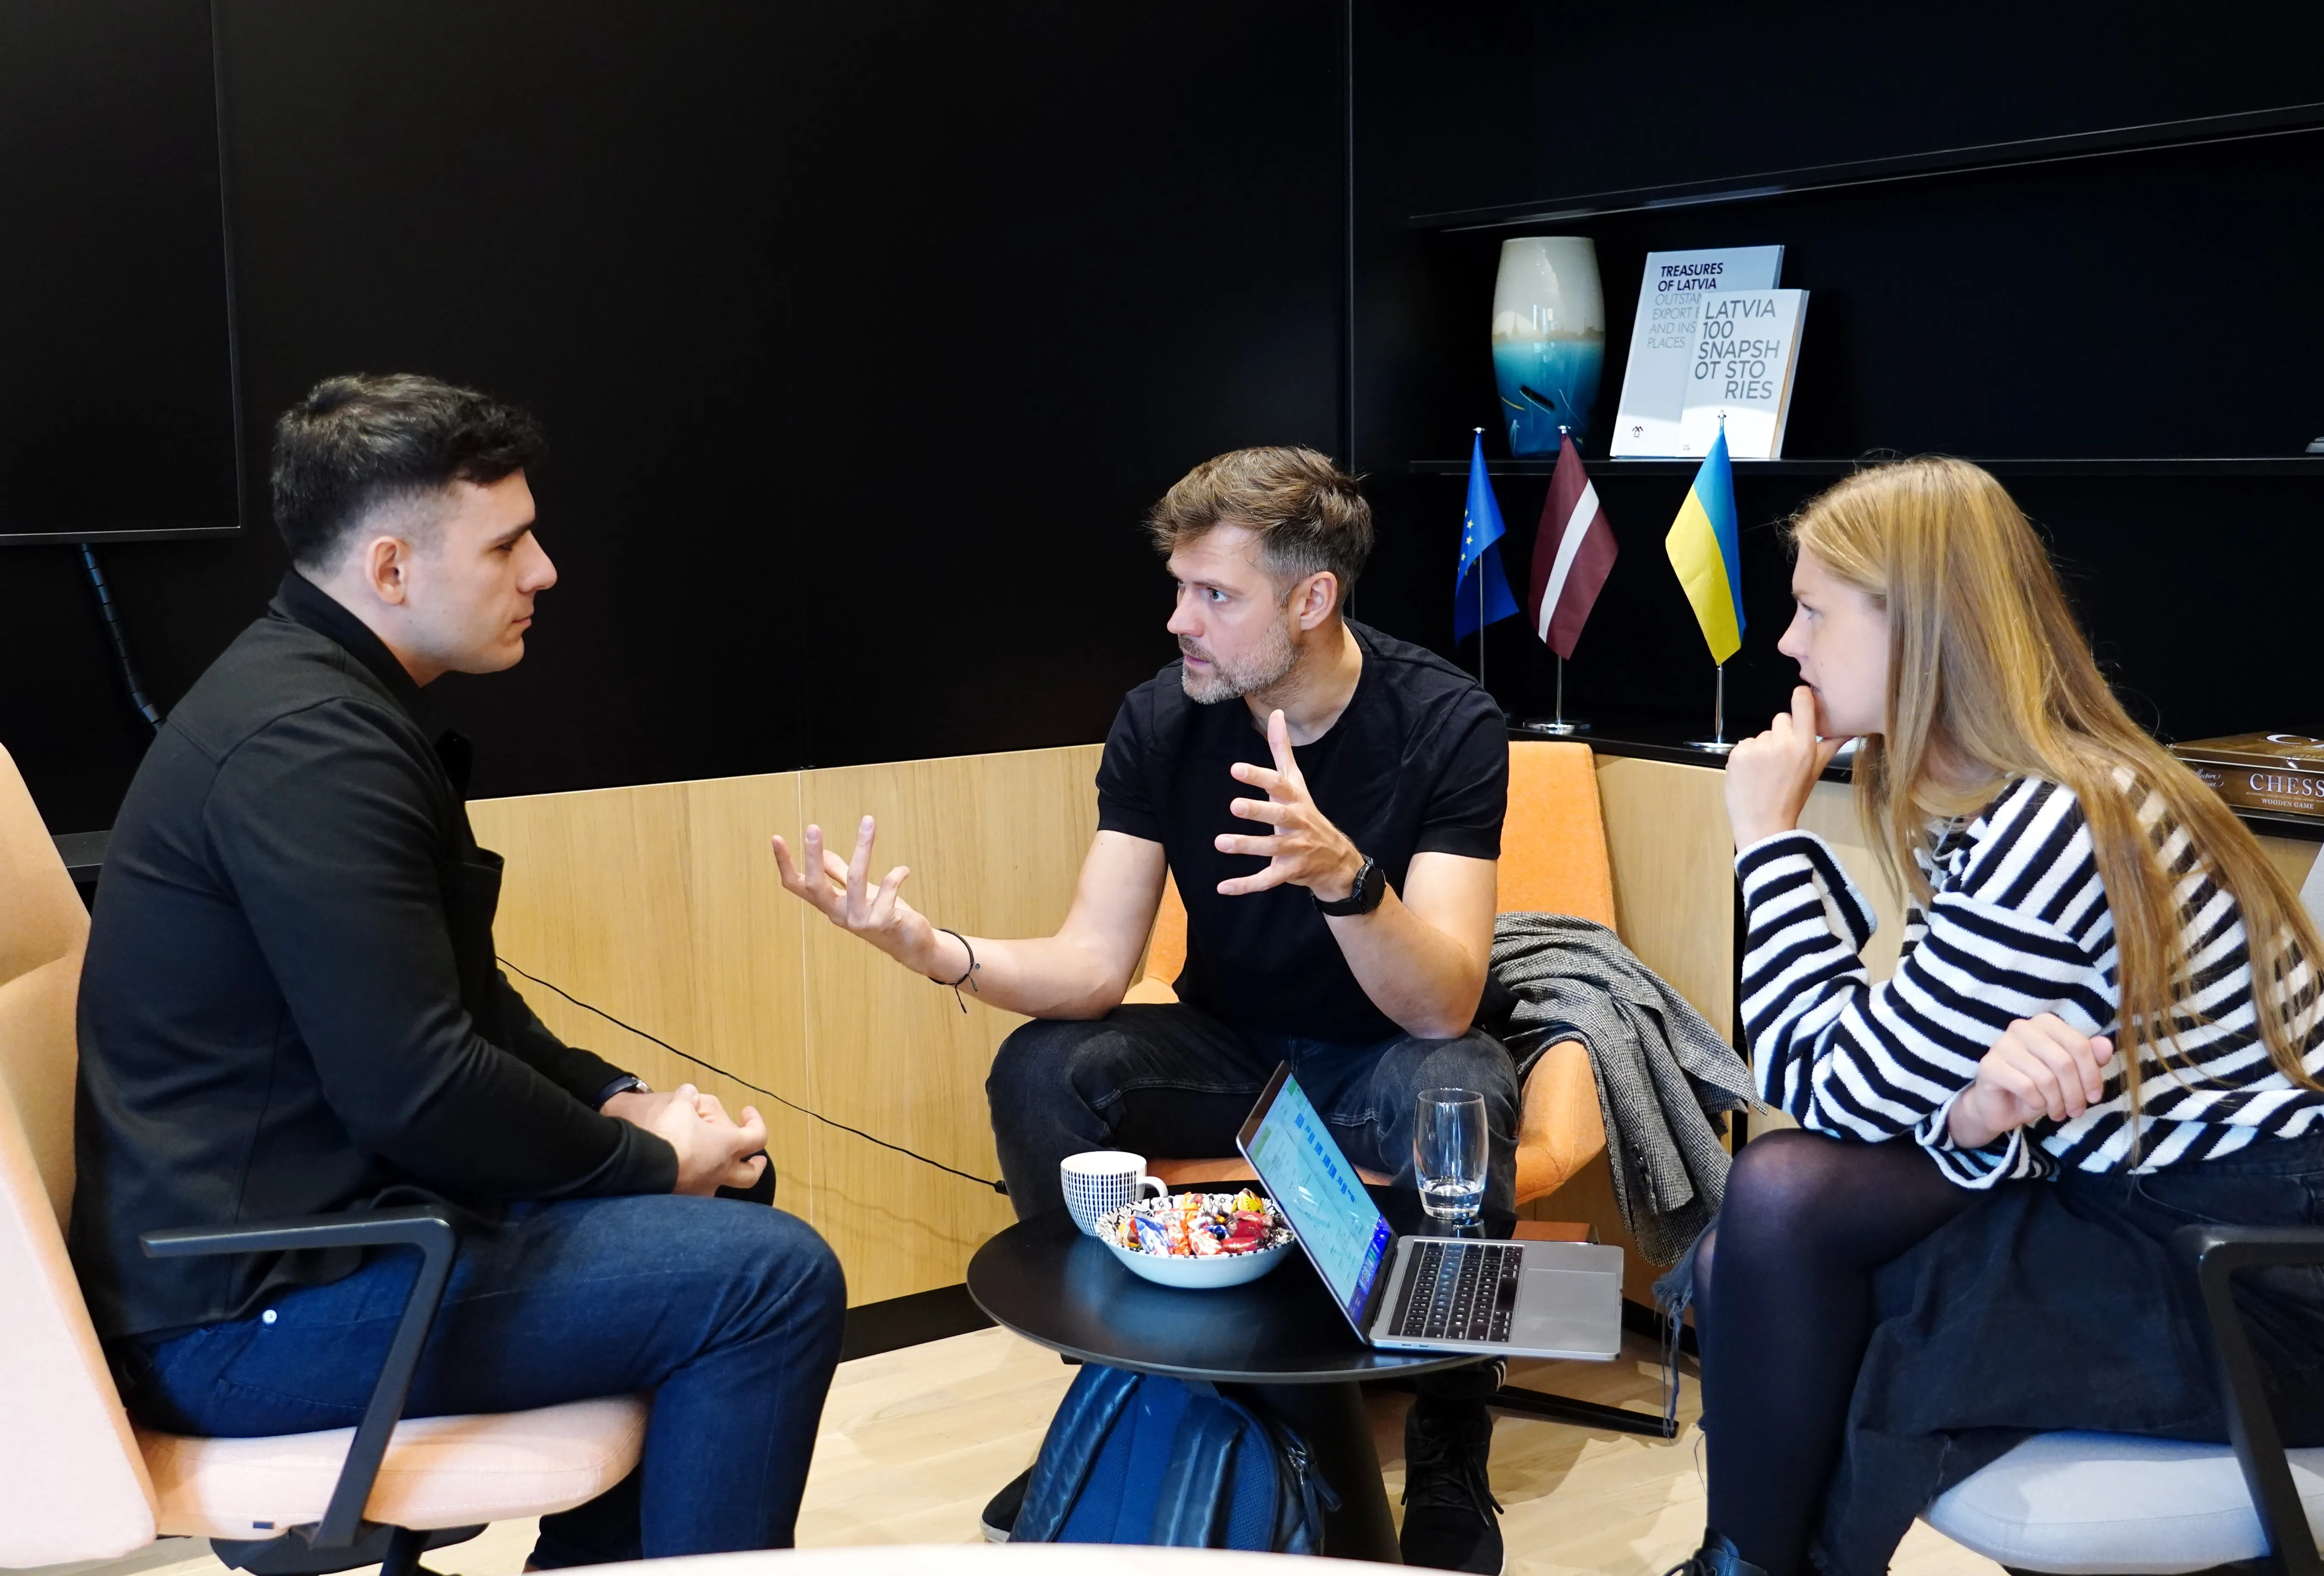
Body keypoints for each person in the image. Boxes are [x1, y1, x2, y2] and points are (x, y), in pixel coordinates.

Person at [71, 375, 846, 1564]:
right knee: (768, 1279)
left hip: (323, 1239)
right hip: (243, 1312)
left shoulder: (330, 706)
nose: (543, 573)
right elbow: (418, 1087)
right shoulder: (307, 748)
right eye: (509, 544)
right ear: (391, 570)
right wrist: (643, 1161)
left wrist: (613, 1100)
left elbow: (462, 1010)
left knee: (737, 1195)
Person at [774, 446, 1517, 1571]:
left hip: (1386, 1055)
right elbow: (1092, 968)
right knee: (1046, 1067)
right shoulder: (1164, 720)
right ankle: (1125, 1404)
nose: (1179, 621)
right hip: (1232, 1050)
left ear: (1310, 600)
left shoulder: (1448, 722)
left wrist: (1344, 877)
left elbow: (1444, 1004)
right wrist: (934, 950)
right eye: (1178, 589)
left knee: (1466, 1088)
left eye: (1214, 595)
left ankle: (1452, 1445)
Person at [1668, 457, 2324, 1576]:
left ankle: (1745, 1565)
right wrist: (1969, 1108)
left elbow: (1830, 1083)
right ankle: (1746, 1564)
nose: (1789, 644)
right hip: (2130, 1198)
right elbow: (1886, 1075)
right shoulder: (2005, 798)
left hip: (2256, 1271)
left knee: (1781, 1209)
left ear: (1916, 629)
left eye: (1814, 610)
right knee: (1778, 1217)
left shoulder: (2061, 817)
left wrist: (1768, 839)